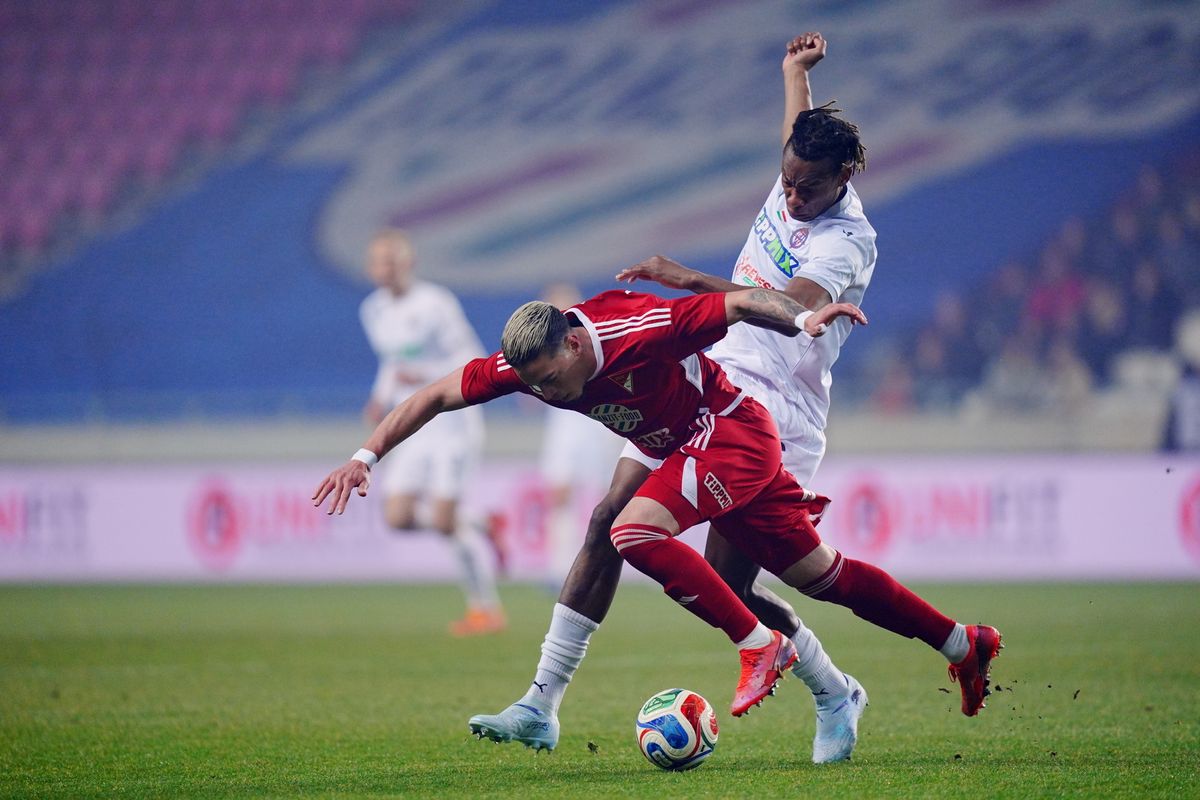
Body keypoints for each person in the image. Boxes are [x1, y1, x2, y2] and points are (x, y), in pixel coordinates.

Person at [465, 33, 1000, 763]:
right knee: (608, 523)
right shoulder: (799, 174)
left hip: (774, 407)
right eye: (784, 180)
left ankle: (879, 671)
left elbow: (770, 302)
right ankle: (541, 704)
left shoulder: (845, 242)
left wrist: (687, 282)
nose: (789, 195)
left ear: (843, 177)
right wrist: (793, 74)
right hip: (701, 384)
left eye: (805, 186)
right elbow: (794, 141)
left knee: (762, 580)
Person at [358, 228, 505, 636]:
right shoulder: (372, 310)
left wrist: (421, 374)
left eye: (390, 261)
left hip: (452, 421)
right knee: (398, 516)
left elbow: (471, 357)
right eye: (376, 262)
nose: (382, 269)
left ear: (409, 263)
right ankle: (481, 524)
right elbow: (390, 361)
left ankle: (485, 610)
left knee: (444, 522)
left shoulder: (436, 303)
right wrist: (380, 396)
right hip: (414, 426)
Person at [538, 283, 624, 588]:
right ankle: (559, 569)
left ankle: (607, 566)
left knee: (609, 498)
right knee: (559, 494)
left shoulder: (589, 337)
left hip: (598, 420)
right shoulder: (539, 346)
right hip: (564, 424)